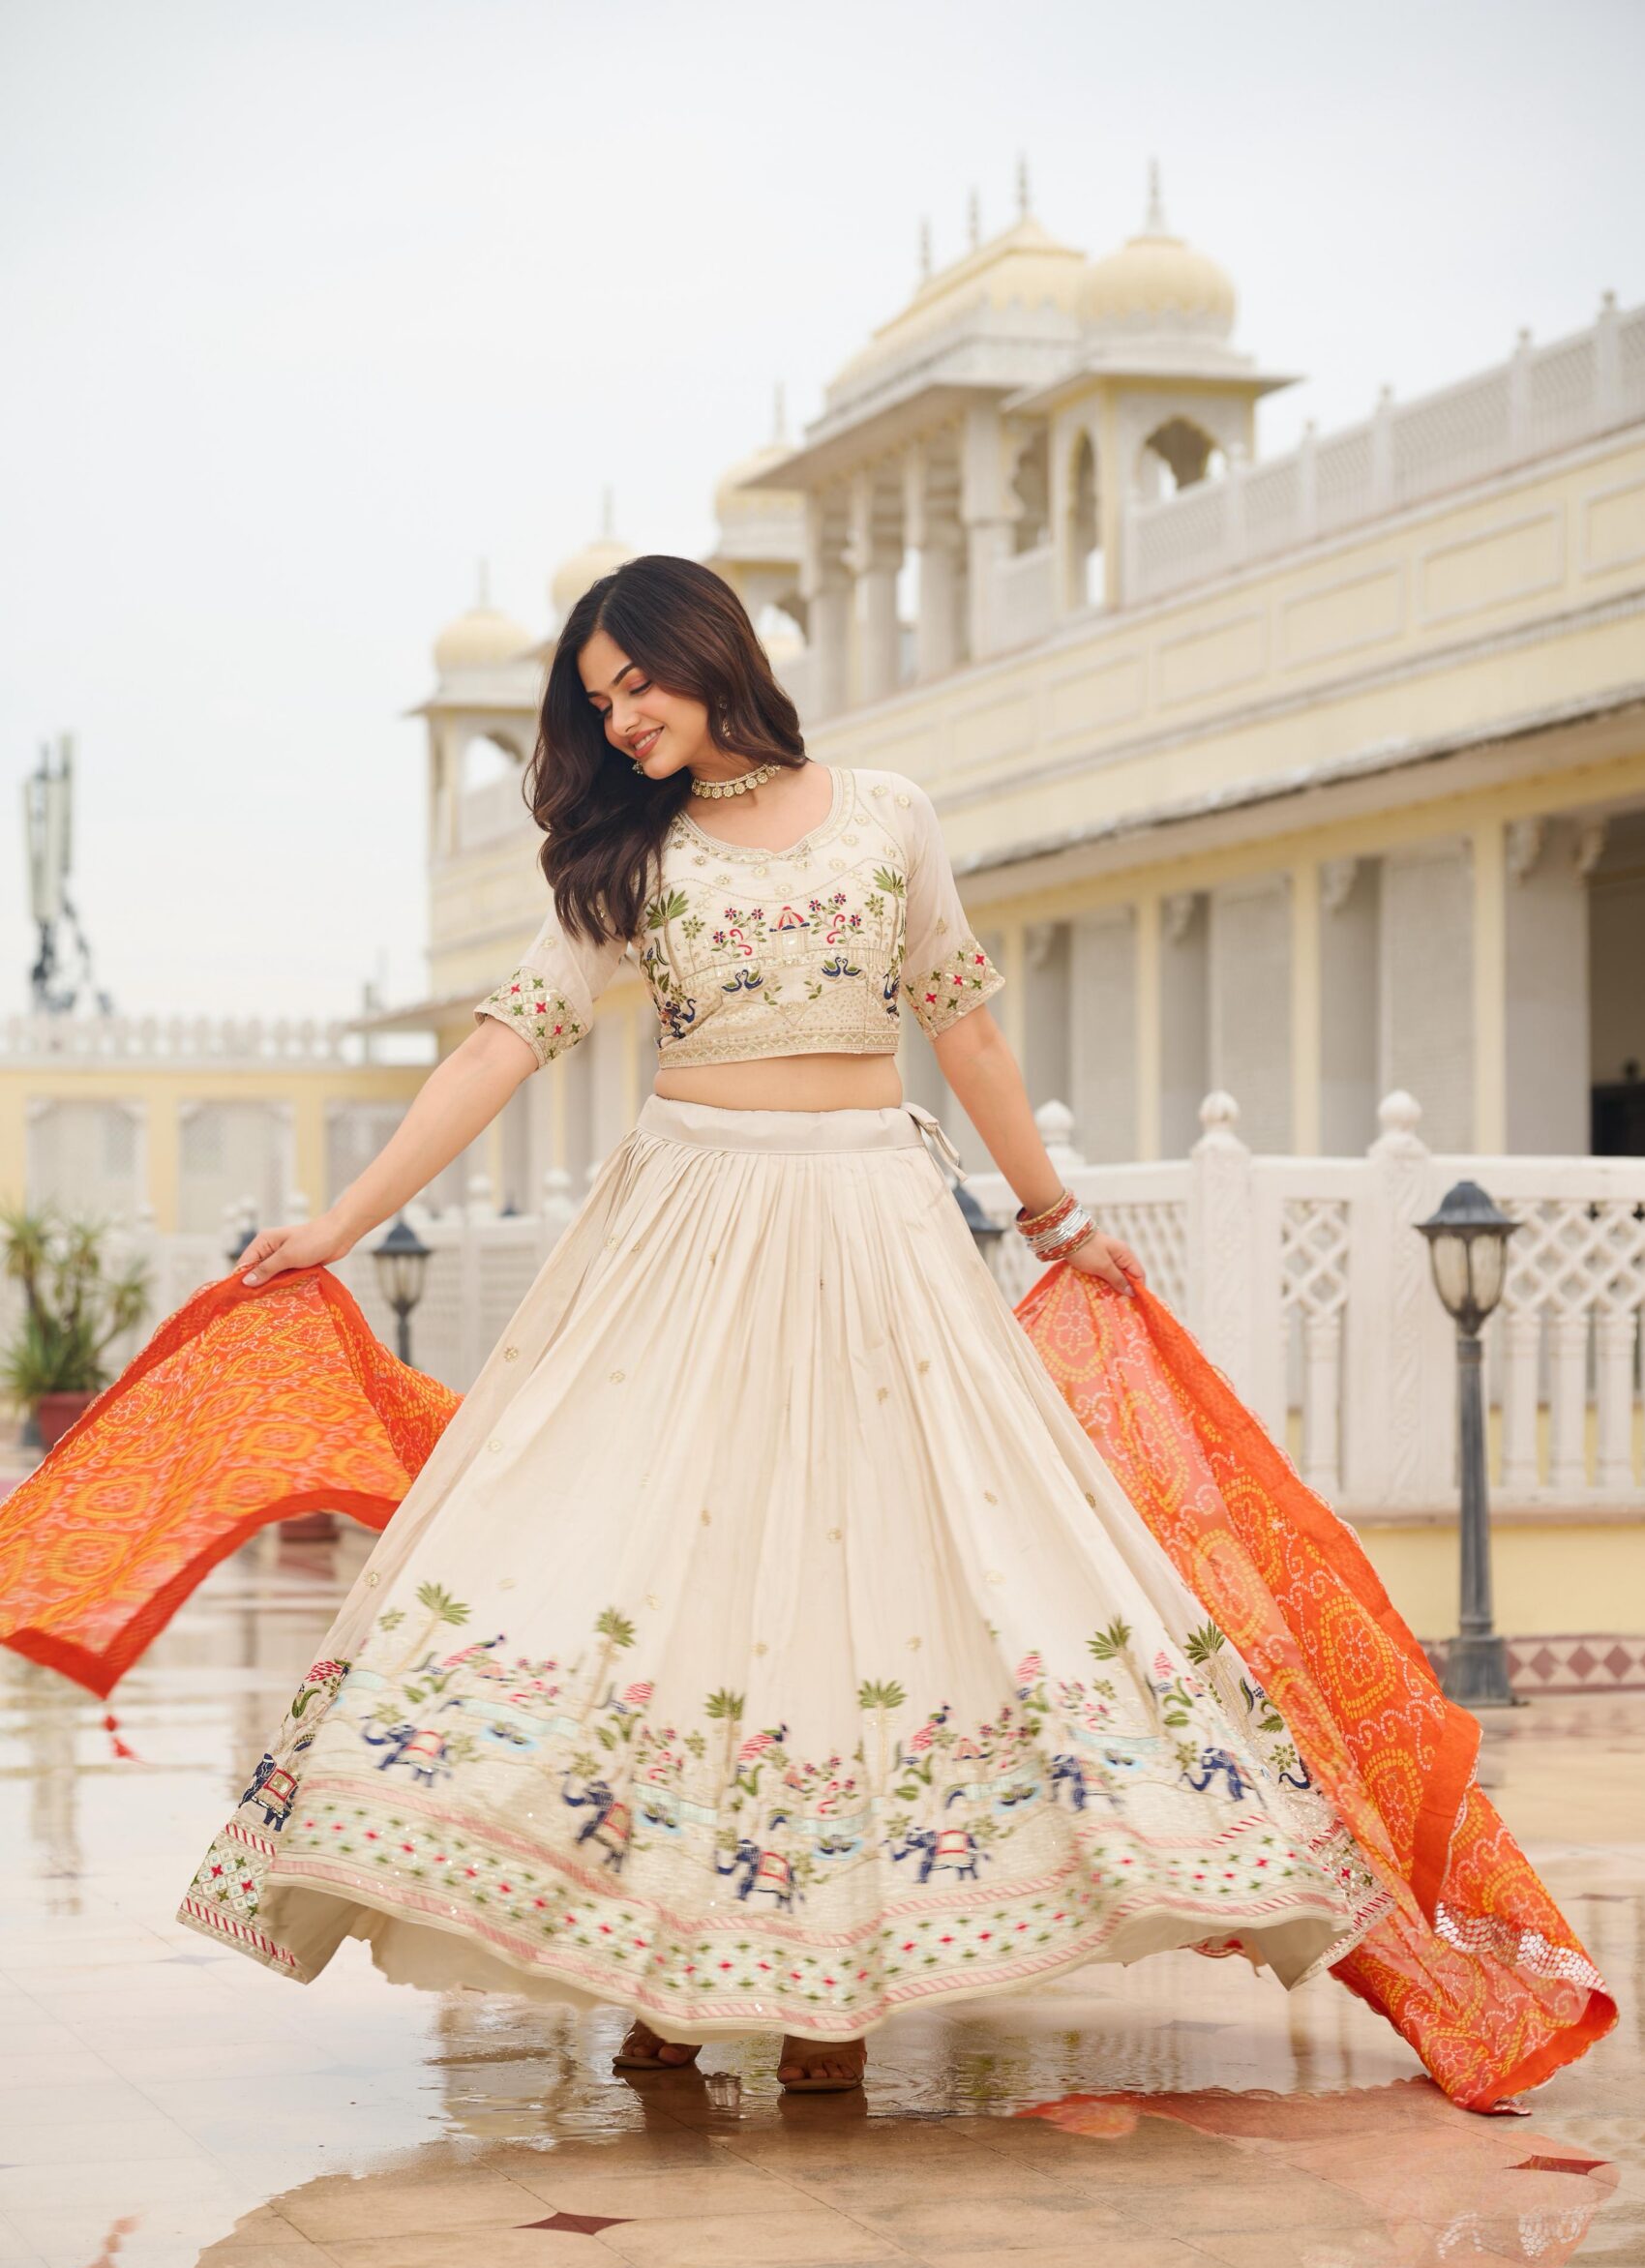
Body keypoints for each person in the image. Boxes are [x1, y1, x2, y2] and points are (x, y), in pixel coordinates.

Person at [167, 557, 1417, 2089]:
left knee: (886, 1579)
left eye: (638, 684)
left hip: (879, 1230)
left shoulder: (889, 814)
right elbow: (501, 1050)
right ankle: (670, 1982)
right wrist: (339, 1226)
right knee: (673, 1572)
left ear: (709, 654)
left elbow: (963, 1029)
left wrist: (1056, 1219)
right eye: (598, 701)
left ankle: (838, 1992)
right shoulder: (631, 860)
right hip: (691, 1234)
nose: (619, 721)